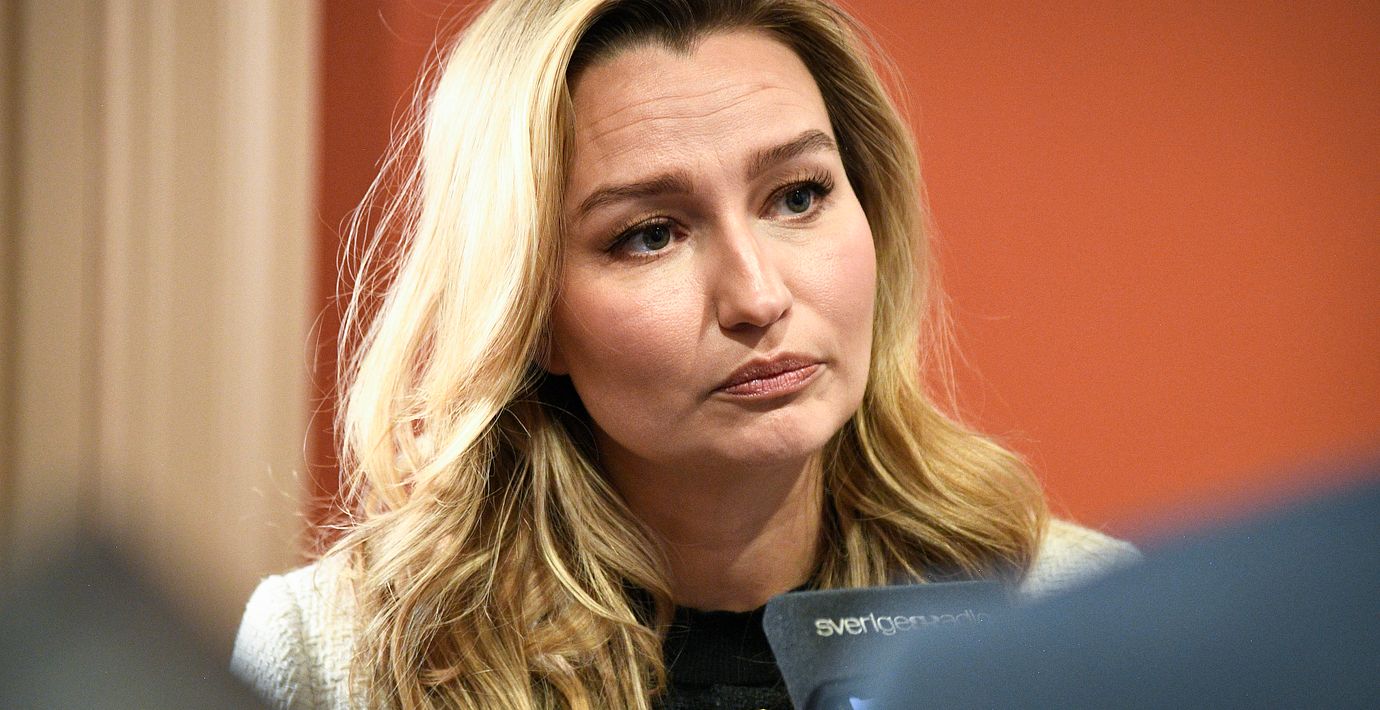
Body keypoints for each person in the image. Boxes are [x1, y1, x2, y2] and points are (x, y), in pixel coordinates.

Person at [232, 1, 1138, 708]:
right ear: (529, 311)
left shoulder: (1081, 613)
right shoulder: (334, 658)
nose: (758, 297)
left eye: (798, 196)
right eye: (651, 234)